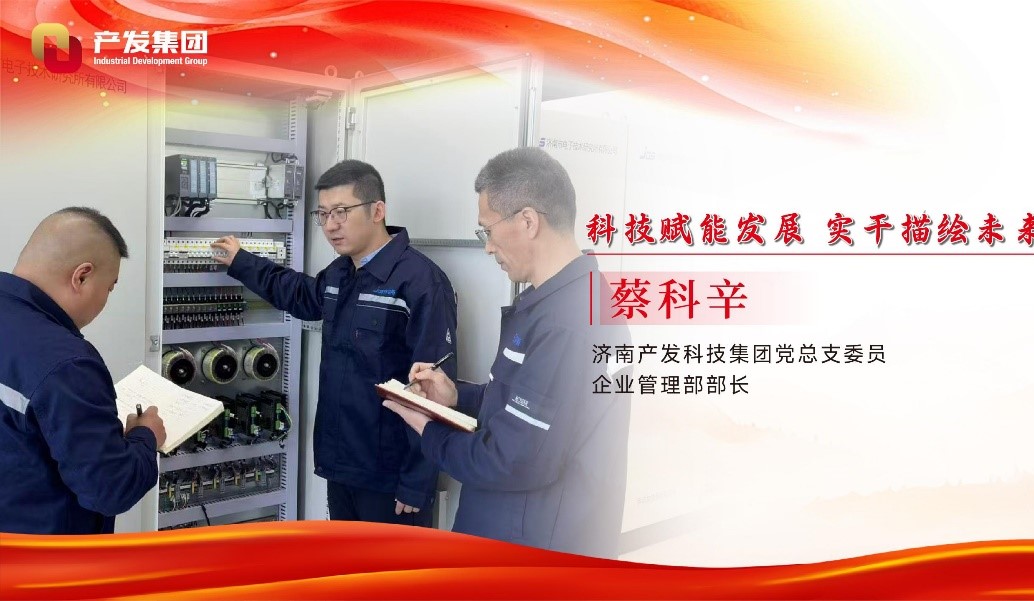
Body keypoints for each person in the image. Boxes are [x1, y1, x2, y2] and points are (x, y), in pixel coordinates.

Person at [385, 147, 631, 557]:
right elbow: (532, 403)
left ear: (528, 221)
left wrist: (427, 427)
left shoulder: (568, 321)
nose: (487, 247)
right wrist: (457, 396)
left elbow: (509, 459)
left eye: (487, 230)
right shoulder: (561, 302)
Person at [212, 160, 457, 526]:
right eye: (323, 214)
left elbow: (434, 390)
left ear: (377, 211)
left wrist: (416, 482)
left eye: (341, 212)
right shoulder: (340, 272)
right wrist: (242, 262)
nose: (330, 225)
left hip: (389, 478)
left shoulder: (420, 282)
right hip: (341, 465)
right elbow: (299, 294)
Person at [0, 207, 167, 534]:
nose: (105, 300)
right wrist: (146, 436)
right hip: (48, 557)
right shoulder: (67, 364)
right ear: (82, 276)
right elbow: (111, 489)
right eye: (110, 288)